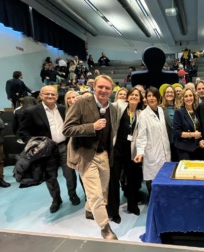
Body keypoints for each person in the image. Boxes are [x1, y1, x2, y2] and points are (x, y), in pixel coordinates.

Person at [63, 74, 118, 240]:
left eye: (107, 88)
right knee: (95, 195)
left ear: (111, 90)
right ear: (95, 87)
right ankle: (105, 228)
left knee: (102, 192)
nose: (103, 90)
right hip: (85, 156)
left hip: (103, 155)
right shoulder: (81, 103)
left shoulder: (113, 109)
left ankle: (89, 209)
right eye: (100, 87)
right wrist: (91, 127)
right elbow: (67, 129)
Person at [19, 85, 80, 213]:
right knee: (50, 177)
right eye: (47, 94)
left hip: (64, 146)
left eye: (53, 94)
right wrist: (35, 145)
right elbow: (24, 132)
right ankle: (56, 199)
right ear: (41, 95)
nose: (50, 96)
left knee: (70, 174)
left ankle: (72, 194)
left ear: (57, 96)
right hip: (46, 150)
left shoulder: (64, 109)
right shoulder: (31, 112)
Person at [109, 88, 144, 222]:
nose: (134, 97)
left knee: (133, 180)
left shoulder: (141, 114)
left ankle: (132, 205)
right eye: (132, 95)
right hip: (117, 149)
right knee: (114, 180)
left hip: (132, 151)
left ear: (140, 99)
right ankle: (114, 211)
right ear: (127, 97)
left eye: (137, 95)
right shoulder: (119, 106)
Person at [134, 87, 170, 197]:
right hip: (151, 153)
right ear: (145, 99)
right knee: (152, 180)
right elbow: (141, 136)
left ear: (158, 97)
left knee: (165, 178)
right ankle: (153, 204)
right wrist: (140, 152)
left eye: (154, 95)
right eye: (149, 96)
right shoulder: (143, 115)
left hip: (165, 150)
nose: (151, 98)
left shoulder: (161, 110)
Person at [173, 88, 201, 160]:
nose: (189, 98)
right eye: (186, 96)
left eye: (190, 95)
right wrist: (193, 134)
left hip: (196, 147)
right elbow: (177, 133)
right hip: (184, 148)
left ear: (194, 97)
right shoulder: (179, 112)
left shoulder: (196, 111)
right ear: (183, 98)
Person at [161, 85, 178, 161]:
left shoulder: (180, 107)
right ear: (164, 94)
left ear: (174, 94)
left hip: (178, 142)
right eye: (167, 92)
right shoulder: (160, 109)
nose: (169, 94)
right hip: (165, 142)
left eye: (171, 92)